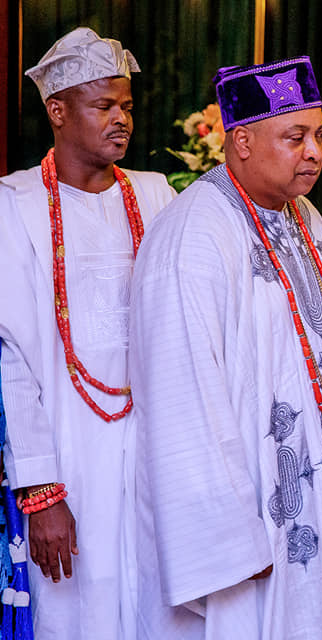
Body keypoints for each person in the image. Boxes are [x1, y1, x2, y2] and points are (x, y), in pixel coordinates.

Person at [129, 57, 322, 639]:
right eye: (295, 137)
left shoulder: (305, 216)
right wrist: (229, 540)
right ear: (240, 142)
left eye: (319, 136)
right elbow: (181, 397)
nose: (315, 152)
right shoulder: (193, 234)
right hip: (254, 517)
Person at [0, 27, 174, 639]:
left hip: (151, 446)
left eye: (127, 105)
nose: (121, 119)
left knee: (157, 598)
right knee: (76, 609)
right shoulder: (13, 205)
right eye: (104, 106)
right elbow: (12, 359)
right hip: (69, 454)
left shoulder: (155, 196)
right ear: (58, 111)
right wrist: (41, 488)